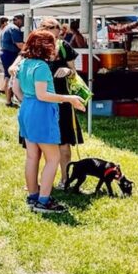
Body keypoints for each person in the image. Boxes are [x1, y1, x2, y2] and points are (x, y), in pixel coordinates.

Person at [13, 30, 86, 214]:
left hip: (26, 110)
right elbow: (43, 95)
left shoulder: (24, 64)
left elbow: (15, 89)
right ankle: (44, 201)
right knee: (53, 158)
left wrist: (27, 103)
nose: (55, 48)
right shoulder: (42, 67)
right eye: (53, 44)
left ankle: (32, 196)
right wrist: (70, 98)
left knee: (31, 156)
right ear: (45, 47)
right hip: (41, 112)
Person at [39, 16, 83, 183]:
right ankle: (42, 181)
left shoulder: (64, 47)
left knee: (64, 145)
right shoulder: (36, 49)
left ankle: (65, 179)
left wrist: (67, 71)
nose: (54, 40)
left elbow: (74, 72)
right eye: (51, 36)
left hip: (63, 100)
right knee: (42, 146)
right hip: (42, 101)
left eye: (57, 36)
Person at [0, 15, 25, 107]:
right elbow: (19, 45)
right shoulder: (14, 28)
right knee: (11, 76)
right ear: (17, 19)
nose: (22, 22)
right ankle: (9, 100)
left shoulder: (8, 27)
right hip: (10, 54)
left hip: (6, 53)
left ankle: (8, 100)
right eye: (22, 20)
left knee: (8, 76)